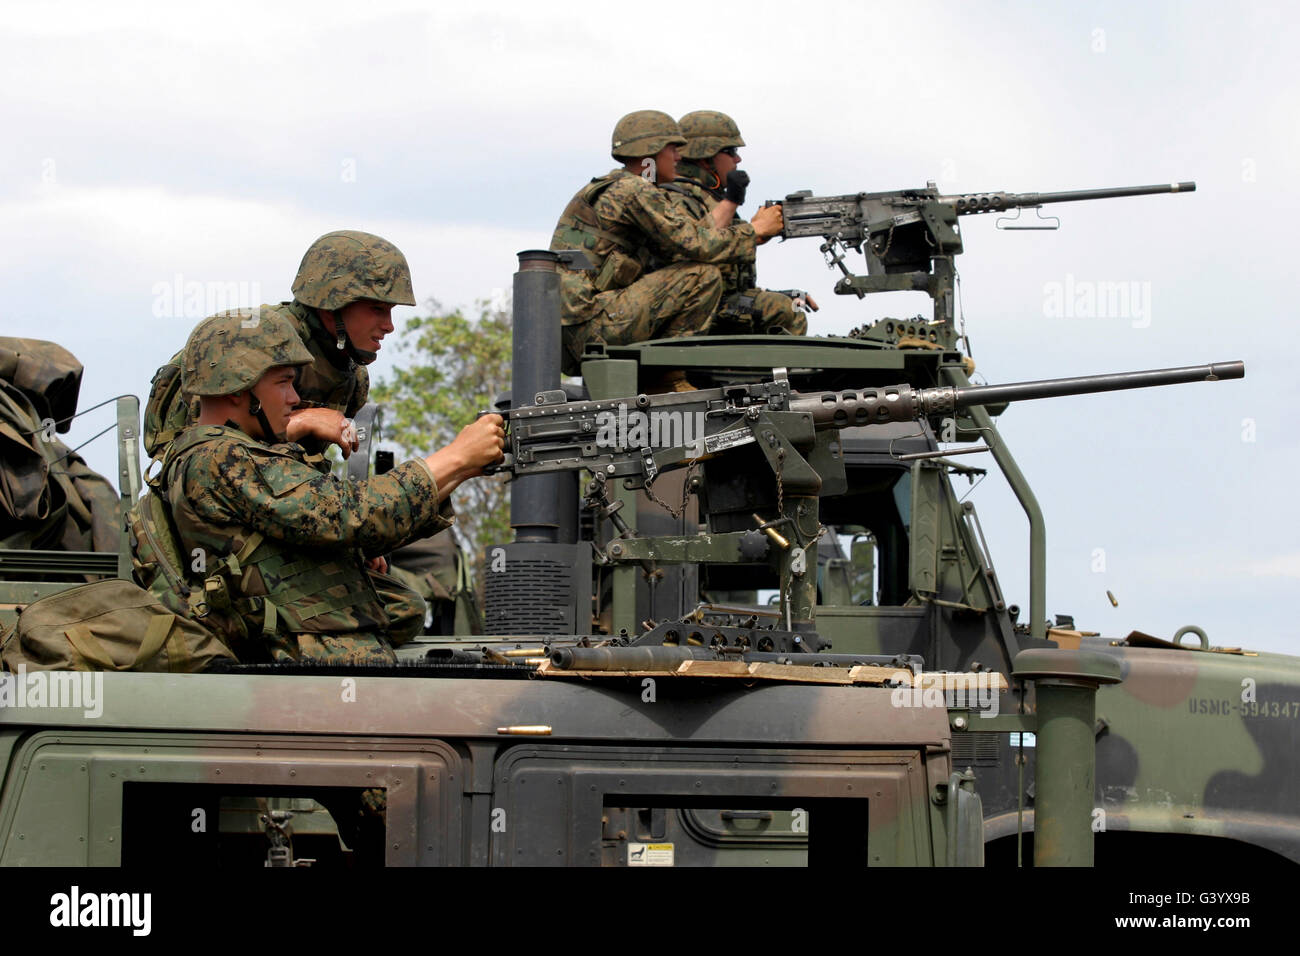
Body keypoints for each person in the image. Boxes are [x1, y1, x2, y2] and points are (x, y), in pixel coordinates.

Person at [161, 310, 505, 665]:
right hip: (313, 671)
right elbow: (348, 513)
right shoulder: (221, 457)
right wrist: (456, 458)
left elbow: (321, 529)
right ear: (237, 388)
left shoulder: (214, 454)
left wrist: (462, 468)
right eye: (283, 383)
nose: (294, 399)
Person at [549, 110, 784, 386]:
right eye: (672, 148)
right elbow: (695, 243)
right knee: (701, 275)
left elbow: (693, 234)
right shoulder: (634, 190)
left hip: (580, 332)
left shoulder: (625, 188)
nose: (679, 157)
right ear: (651, 153)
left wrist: (738, 218)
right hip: (593, 328)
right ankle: (668, 379)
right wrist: (753, 232)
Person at [145, 229, 414, 462]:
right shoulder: (250, 345)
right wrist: (300, 422)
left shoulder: (350, 376)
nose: (389, 325)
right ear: (333, 304)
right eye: (377, 309)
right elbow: (197, 456)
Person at [666, 111, 813, 336]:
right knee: (786, 311)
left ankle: (775, 373)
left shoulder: (708, 198)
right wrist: (752, 232)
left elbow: (730, 280)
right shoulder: (676, 199)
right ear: (706, 156)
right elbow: (694, 251)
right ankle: (781, 373)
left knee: (793, 302)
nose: (738, 160)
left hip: (718, 303)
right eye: (731, 151)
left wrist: (775, 293)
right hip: (690, 309)